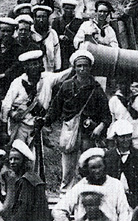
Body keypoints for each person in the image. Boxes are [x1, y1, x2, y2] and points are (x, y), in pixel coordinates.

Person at [45, 50, 111, 191]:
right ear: (74, 67)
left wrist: (100, 126)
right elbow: (55, 108)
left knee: (89, 164)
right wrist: (45, 122)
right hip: (69, 130)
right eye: (79, 66)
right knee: (68, 167)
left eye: (85, 66)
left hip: (88, 133)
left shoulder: (96, 89)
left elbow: (106, 115)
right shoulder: (66, 86)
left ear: (90, 67)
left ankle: (90, 191)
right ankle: (66, 193)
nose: (82, 69)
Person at [1, 50, 53, 174]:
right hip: (20, 125)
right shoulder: (17, 83)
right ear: (25, 67)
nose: (34, 67)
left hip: (36, 125)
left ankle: (33, 179)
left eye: (36, 64)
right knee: (17, 153)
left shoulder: (47, 79)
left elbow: (64, 75)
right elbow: (6, 105)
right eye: (31, 64)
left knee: (34, 156)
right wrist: (9, 118)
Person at [53, 148, 131, 221]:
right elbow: (58, 210)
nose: (97, 171)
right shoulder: (80, 186)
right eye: (93, 168)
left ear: (104, 166)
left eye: (100, 166)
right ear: (87, 169)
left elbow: (124, 212)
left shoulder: (116, 185)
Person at [104, 120, 138, 208]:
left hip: (135, 202)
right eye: (122, 137)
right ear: (116, 138)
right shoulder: (108, 157)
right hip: (111, 201)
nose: (125, 140)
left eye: (128, 136)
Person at [5, 140, 51, 221]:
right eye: (10, 159)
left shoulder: (26, 181)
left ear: (24, 161)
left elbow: (23, 211)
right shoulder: (31, 176)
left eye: (16, 159)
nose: (12, 162)